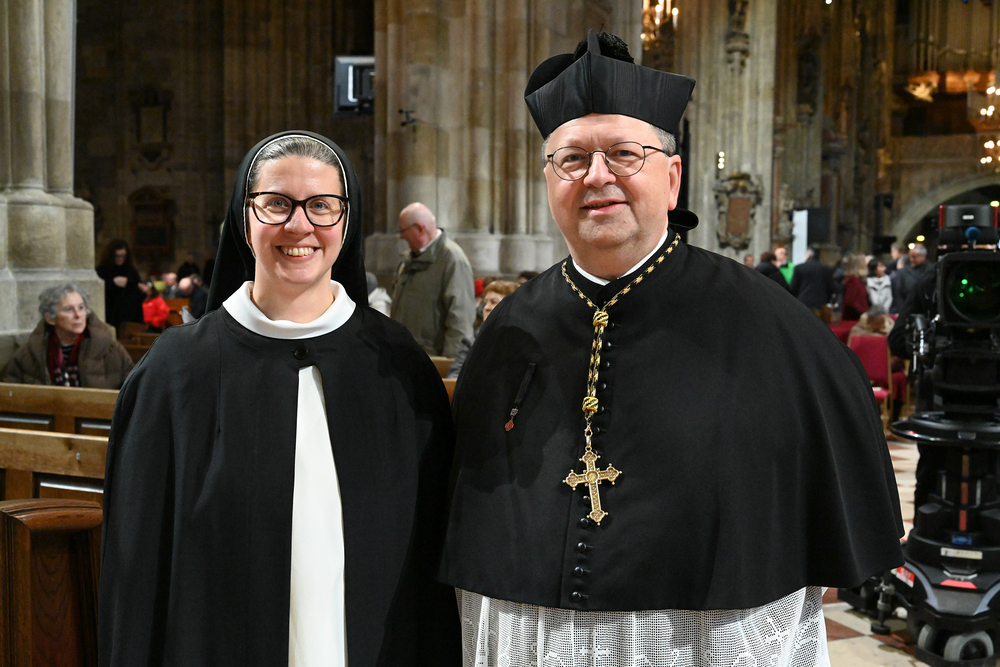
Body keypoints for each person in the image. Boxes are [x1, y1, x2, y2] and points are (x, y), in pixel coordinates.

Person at [439, 31, 902, 667]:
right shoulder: (509, 328)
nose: (596, 176)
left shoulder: (773, 326)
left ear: (673, 176)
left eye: (623, 154)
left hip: (707, 639)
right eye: (571, 159)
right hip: (536, 637)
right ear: (549, 180)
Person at [99, 131, 461, 666]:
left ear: (347, 221)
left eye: (322, 206)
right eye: (276, 203)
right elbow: (134, 570)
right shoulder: (173, 374)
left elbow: (432, 559)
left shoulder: (398, 367)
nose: (299, 225)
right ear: (243, 218)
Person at [1, 284, 133, 388]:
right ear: (50, 318)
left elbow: (133, 388)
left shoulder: (111, 350)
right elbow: (10, 392)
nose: (78, 315)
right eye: (68, 309)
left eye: (81, 308)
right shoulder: (29, 354)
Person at [390, 202, 476, 357]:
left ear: (419, 228)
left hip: (431, 357)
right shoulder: (408, 259)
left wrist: (452, 364)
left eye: (403, 231)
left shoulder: (452, 259)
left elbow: (460, 319)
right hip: (403, 353)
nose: (401, 236)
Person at [446, 279, 518, 379]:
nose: (487, 307)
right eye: (485, 303)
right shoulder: (471, 341)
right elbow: (455, 375)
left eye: (493, 302)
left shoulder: (523, 342)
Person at [96, 240, 145, 335]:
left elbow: (137, 292)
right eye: (118, 256)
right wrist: (112, 283)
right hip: (110, 313)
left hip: (128, 315)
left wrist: (135, 285)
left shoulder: (130, 270)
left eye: (123, 256)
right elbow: (98, 291)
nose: (121, 259)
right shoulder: (102, 270)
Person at [790, 244, 837, 320]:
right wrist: (826, 300)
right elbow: (831, 288)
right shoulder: (826, 268)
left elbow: (793, 287)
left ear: (808, 255)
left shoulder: (799, 268)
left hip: (803, 301)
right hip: (820, 303)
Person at [893, 242, 935, 309]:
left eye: (914, 257)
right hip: (908, 308)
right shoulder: (904, 272)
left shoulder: (932, 270)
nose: (911, 259)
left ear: (923, 256)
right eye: (910, 257)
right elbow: (899, 293)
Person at [840, 254, 870, 321]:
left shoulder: (855, 280)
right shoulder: (853, 281)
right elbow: (850, 301)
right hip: (854, 319)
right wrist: (863, 312)